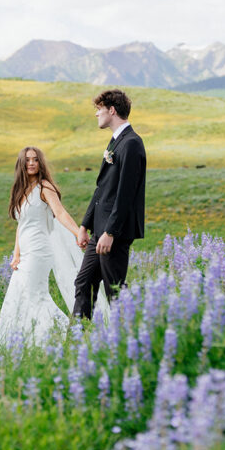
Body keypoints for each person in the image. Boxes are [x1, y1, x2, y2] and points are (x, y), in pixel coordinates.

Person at [0, 146, 107, 348]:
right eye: (27, 160)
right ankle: (27, 343)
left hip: (39, 252)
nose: (31, 163)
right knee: (19, 297)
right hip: (26, 253)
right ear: (21, 163)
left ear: (40, 163)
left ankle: (65, 336)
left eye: (35, 160)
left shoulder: (44, 187)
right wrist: (16, 254)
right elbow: (21, 225)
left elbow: (60, 214)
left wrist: (78, 232)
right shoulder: (21, 191)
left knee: (36, 296)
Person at [73, 89, 146, 320]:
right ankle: (77, 341)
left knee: (114, 291)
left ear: (112, 110)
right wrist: (85, 225)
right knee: (83, 283)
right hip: (100, 230)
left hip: (114, 233)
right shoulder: (116, 142)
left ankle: (126, 342)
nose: (96, 114)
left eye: (99, 109)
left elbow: (125, 194)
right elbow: (102, 189)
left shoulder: (132, 143)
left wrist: (110, 232)